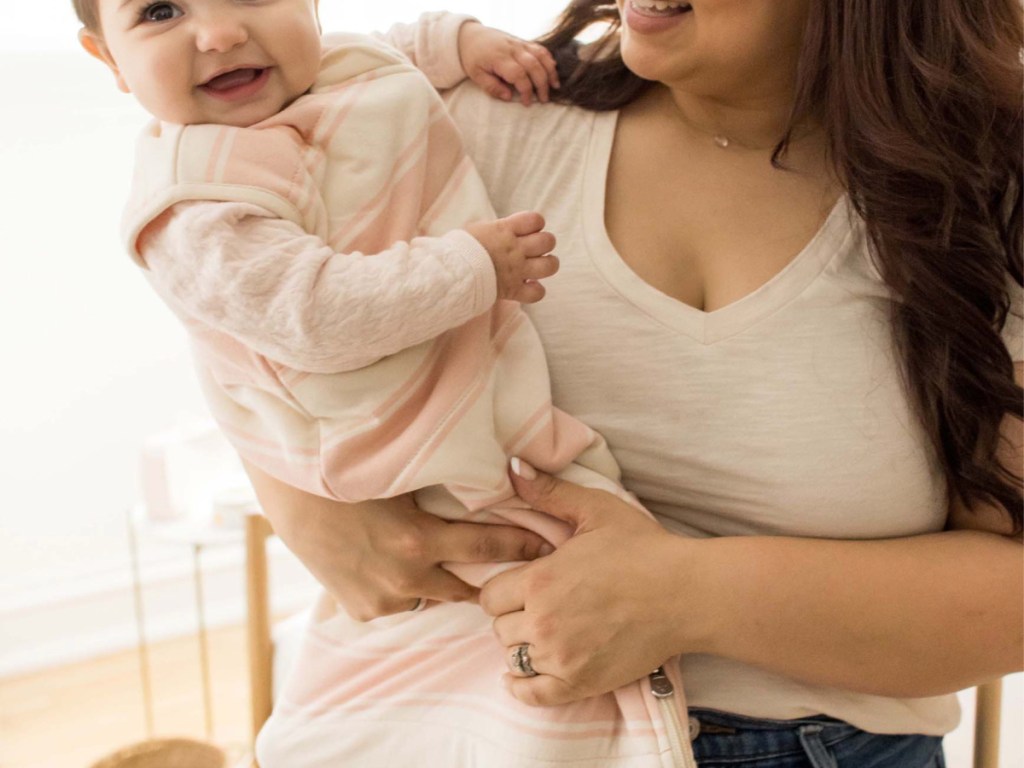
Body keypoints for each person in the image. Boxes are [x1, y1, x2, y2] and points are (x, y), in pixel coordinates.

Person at [240, 1, 1024, 766]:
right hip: (449, 728)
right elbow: (221, 263)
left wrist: (684, 596)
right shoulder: (473, 114)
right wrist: (299, 502)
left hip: (824, 744)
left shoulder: (989, 189)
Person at [74, 0, 706, 765]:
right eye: (160, 11)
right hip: (388, 443)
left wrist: (461, 43)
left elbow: (388, 49)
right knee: (528, 586)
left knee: (559, 578)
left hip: (464, 400)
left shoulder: (336, 72)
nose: (220, 32)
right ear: (106, 59)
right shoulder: (195, 203)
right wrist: (473, 267)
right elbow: (315, 318)